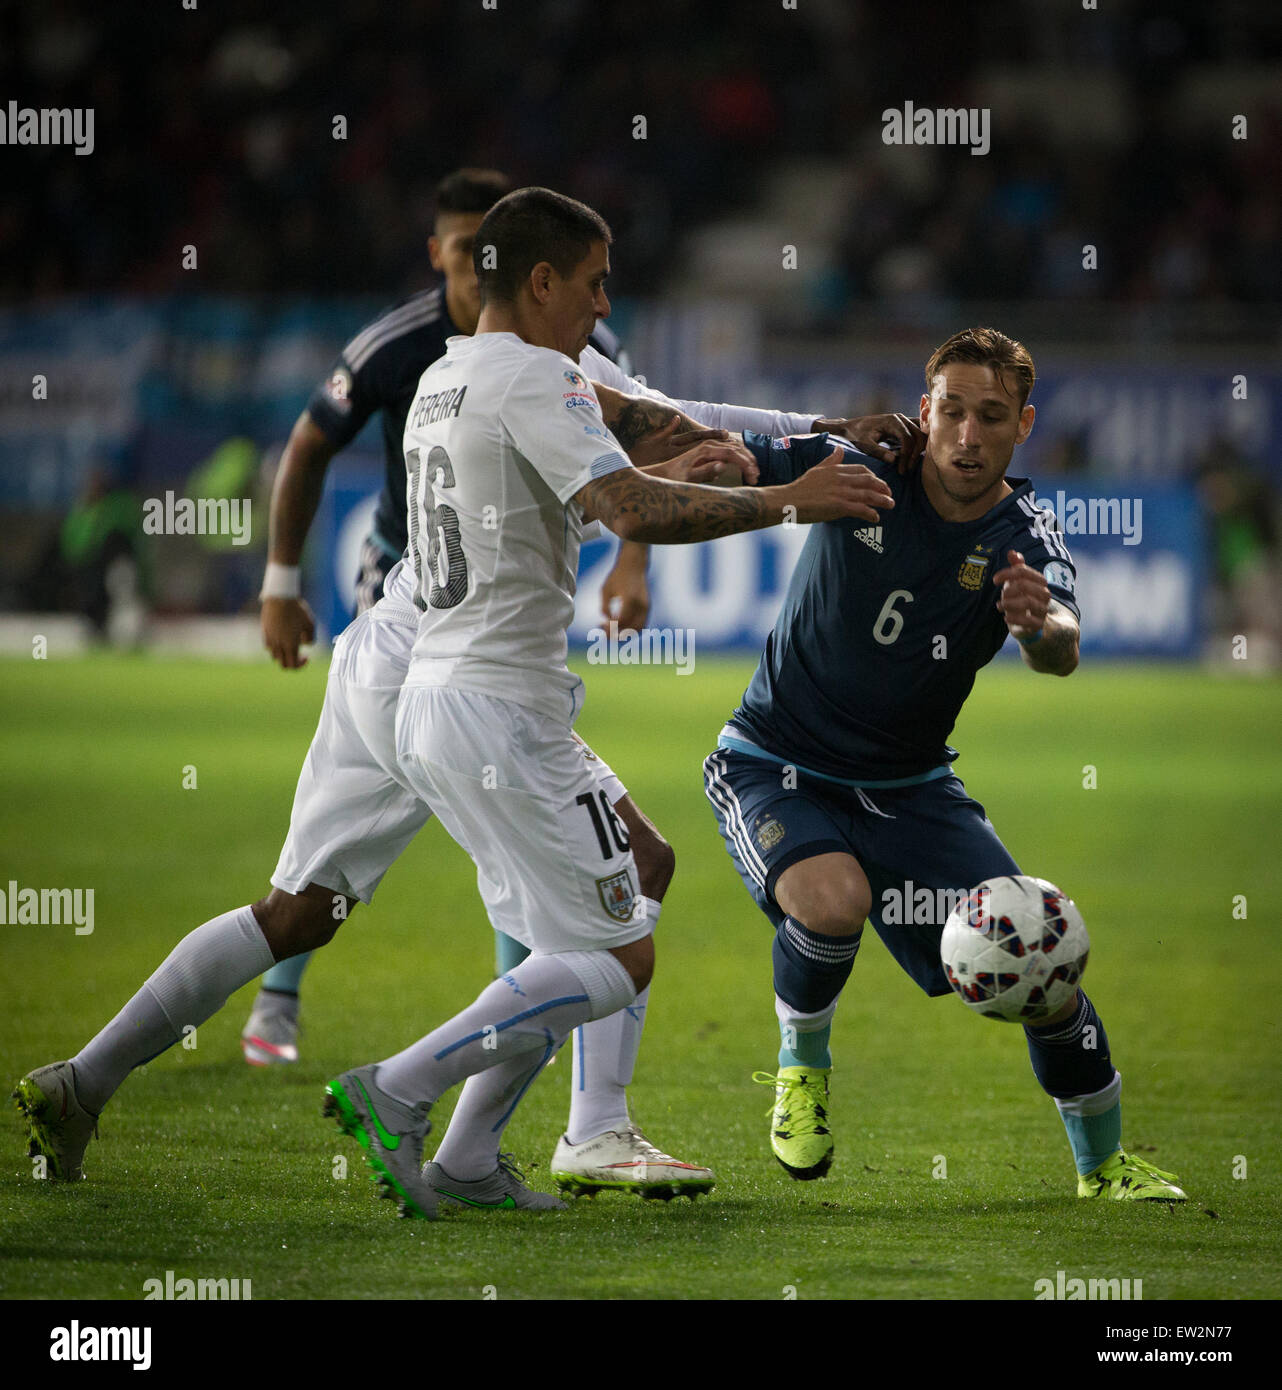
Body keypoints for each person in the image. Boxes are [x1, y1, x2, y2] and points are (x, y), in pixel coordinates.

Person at [246, 165, 919, 1198]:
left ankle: (476, 1154)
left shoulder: (450, 373)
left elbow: (669, 418)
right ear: (546, 280)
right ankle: (404, 1087)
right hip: (494, 707)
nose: (607, 306)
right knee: (617, 960)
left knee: (642, 866)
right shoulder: (537, 378)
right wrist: (796, 496)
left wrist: (814, 435)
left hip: (453, 695)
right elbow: (632, 508)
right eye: (597, 284)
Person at [703, 326, 1188, 1201]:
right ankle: (800, 1073)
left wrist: (1040, 624)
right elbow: (723, 458)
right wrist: (737, 484)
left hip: (913, 789)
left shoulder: (1024, 532)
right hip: (774, 761)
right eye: (952, 411)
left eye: (991, 417)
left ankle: (1106, 1166)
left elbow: (1064, 647)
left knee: (1039, 957)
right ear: (924, 412)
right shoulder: (859, 466)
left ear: (1023, 426)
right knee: (834, 901)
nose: (968, 434)